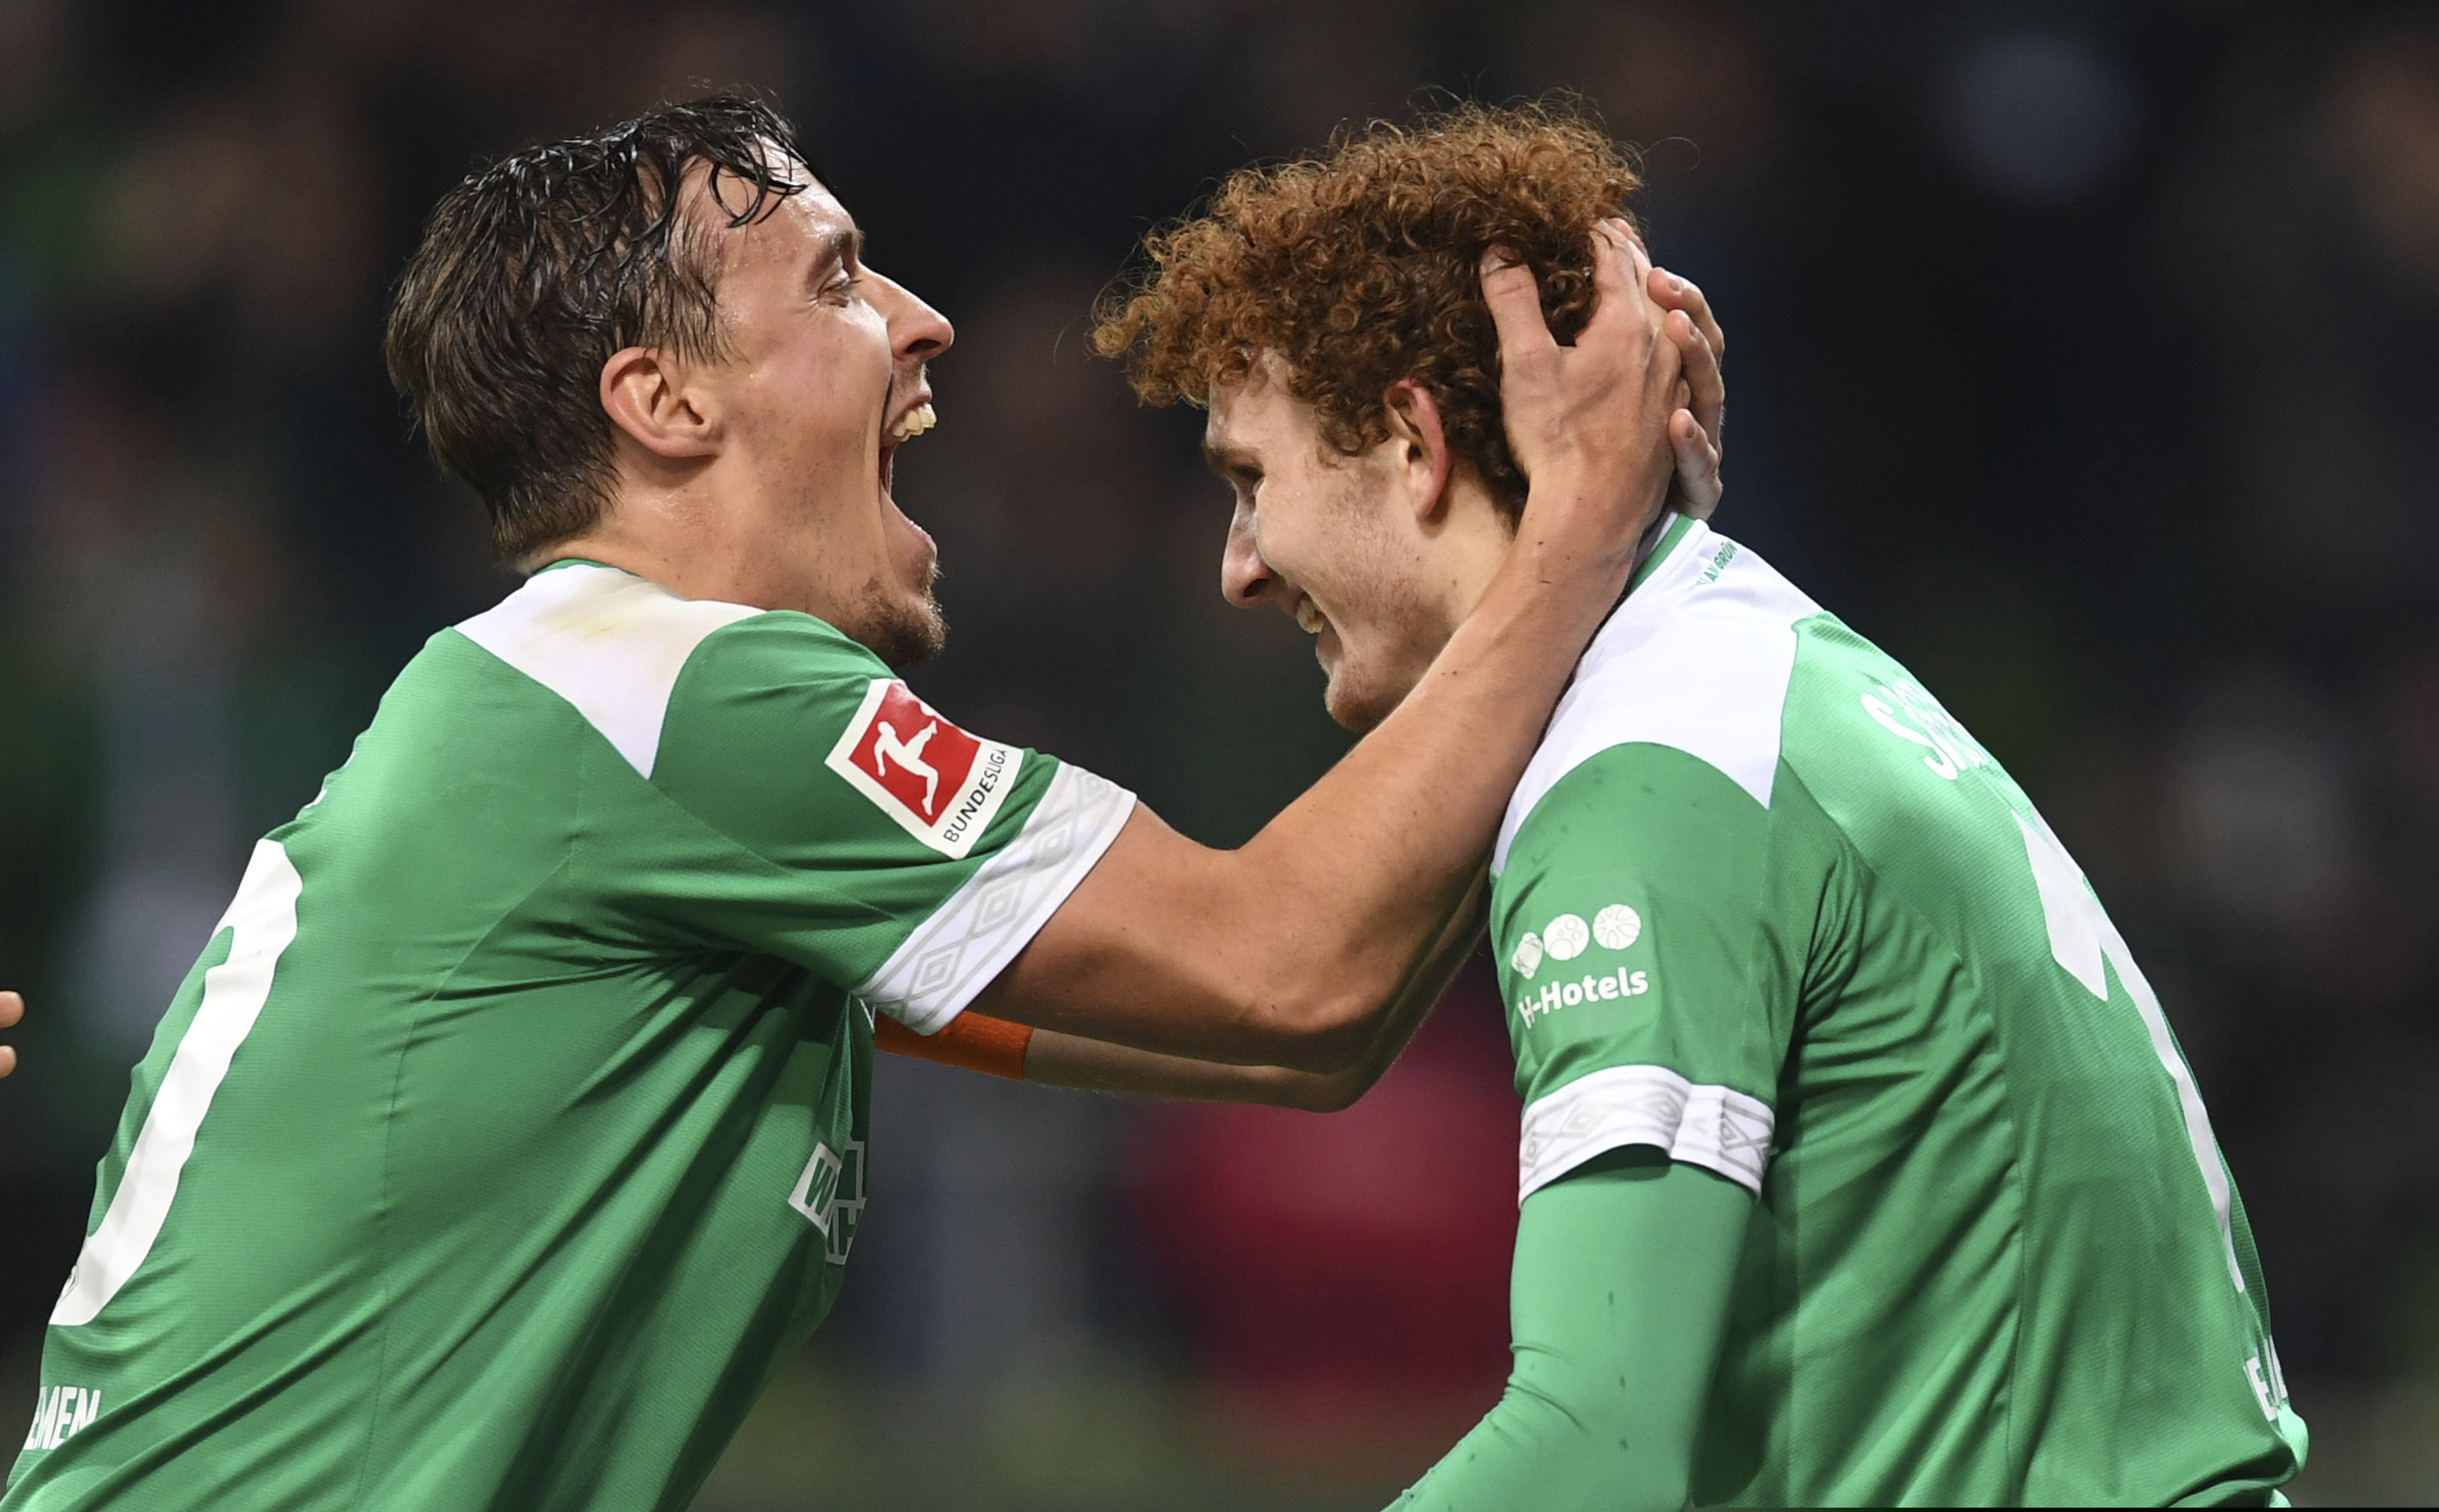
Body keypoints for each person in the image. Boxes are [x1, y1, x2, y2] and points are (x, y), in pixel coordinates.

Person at [3, 95, 1721, 1509]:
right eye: (834, 282)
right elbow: (1287, 962)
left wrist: (1539, 575)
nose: (919, 318)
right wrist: (1573, 525)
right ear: (664, 402)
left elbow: (1291, 1041)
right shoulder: (674, 695)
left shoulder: (621, 766)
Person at [986, 102, 2307, 1507]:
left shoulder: (1645, 782)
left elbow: (1596, 1447)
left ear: (1412, 442)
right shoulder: (1756, 673)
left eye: (1252, 482)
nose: (1238, 568)